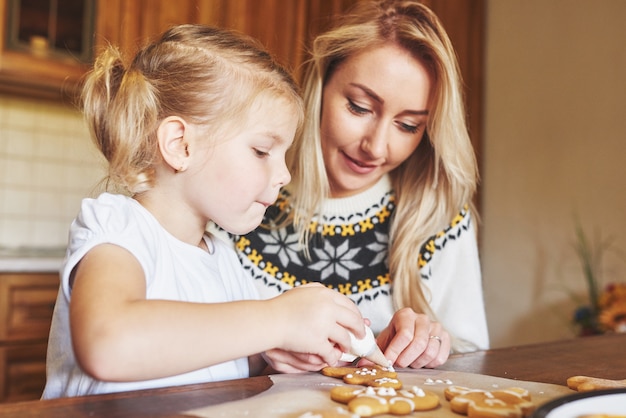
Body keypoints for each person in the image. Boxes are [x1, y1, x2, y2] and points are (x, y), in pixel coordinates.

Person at [42, 24, 367, 399]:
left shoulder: (224, 258)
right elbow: (107, 343)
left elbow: (224, 361)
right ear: (181, 145)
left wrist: (276, 353)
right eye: (262, 151)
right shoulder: (118, 229)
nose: (284, 175)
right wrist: (277, 320)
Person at [212, 0, 489, 371]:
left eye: (408, 126)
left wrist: (432, 347)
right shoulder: (234, 198)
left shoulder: (439, 218)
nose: (375, 146)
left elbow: (474, 365)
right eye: (359, 107)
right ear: (321, 83)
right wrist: (264, 349)